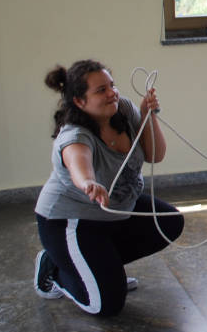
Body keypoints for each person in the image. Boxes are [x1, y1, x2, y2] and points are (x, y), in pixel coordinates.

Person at [33, 60, 185, 316]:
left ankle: (100, 268)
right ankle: (55, 270)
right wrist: (88, 183)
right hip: (72, 221)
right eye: (100, 90)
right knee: (107, 305)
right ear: (80, 101)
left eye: (111, 85)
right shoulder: (74, 136)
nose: (111, 93)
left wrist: (149, 116)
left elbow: (155, 154)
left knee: (169, 222)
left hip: (115, 212)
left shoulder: (122, 109)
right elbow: (78, 164)